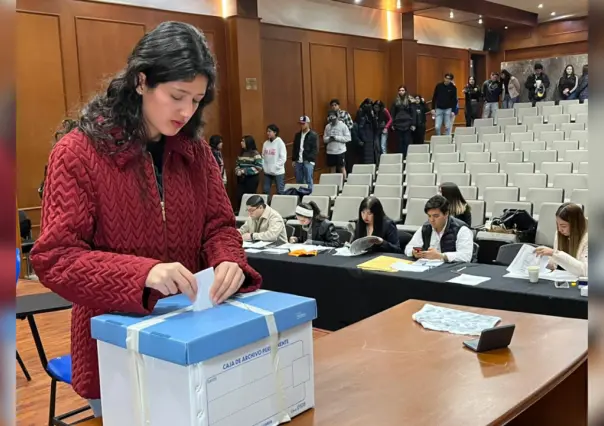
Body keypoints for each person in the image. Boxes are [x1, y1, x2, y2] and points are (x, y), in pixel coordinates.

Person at [29, 21, 262, 416]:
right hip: (116, 353)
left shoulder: (196, 153)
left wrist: (227, 259)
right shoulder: (78, 154)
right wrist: (143, 275)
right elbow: (56, 258)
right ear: (141, 81)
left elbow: (220, 227)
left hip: (194, 340)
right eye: (176, 96)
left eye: (197, 100)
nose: (186, 112)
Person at [404, 195, 474, 262]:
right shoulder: (425, 227)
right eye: (429, 216)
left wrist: (441, 256)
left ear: (446, 214)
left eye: (436, 216)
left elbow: (466, 256)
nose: (431, 220)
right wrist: (413, 252)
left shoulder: (461, 229)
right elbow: (409, 248)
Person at [535, 203, 588, 277]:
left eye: (563, 226)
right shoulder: (559, 233)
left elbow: (585, 271)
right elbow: (555, 264)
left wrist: (554, 253)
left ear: (576, 225)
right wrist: (542, 261)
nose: (559, 229)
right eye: (558, 224)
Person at [292, 115, 318, 192]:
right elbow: (295, 148)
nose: (302, 125)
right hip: (298, 161)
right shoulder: (297, 135)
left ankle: (310, 195)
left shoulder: (313, 135)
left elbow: (315, 149)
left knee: (308, 180)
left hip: (308, 161)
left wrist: (309, 159)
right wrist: (294, 159)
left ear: (308, 123)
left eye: (303, 123)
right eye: (300, 123)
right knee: (299, 181)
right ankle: (301, 195)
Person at [235, 135, 263, 203]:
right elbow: (237, 164)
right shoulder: (241, 153)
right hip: (241, 178)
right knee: (239, 196)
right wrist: (237, 170)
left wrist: (244, 171)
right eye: (241, 141)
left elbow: (259, 167)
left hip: (251, 179)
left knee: (249, 197)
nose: (241, 143)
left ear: (248, 142)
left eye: (243, 141)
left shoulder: (255, 153)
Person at [390, 86, 416, 158]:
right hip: (398, 124)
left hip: (408, 123)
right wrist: (392, 124)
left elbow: (413, 113)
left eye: (403, 90)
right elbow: (392, 113)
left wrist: (413, 124)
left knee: (407, 141)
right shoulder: (395, 101)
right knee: (399, 142)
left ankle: (407, 156)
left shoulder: (410, 100)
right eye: (400, 90)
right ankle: (400, 157)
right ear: (398, 91)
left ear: (405, 91)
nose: (401, 92)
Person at [323, 109, 350, 177]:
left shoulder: (343, 126)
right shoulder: (327, 126)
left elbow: (348, 138)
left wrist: (336, 138)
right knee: (332, 169)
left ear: (337, 117)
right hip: (330, 152)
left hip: (340, 151)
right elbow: (324, 139)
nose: (332, 121)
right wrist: (329, 139)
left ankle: (344, 182)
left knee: (342, 168)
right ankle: (333, 184)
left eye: (334, 119)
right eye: (331, 119)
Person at [262, 124, 286, 196]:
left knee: (280, 190)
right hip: (267, 172)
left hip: (278, 172)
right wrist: (264, 167)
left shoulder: (280, 143)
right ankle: (267, 206)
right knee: (265, 190)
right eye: (267, 131)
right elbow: (263, 156)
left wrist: (275, 167)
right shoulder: (265, 143)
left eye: (270, 131)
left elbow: (283, 158)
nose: (268, 133)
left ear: (275, 132)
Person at [355, 98, 379, 165]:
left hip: (371, 138)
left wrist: (373, 116)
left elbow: (376, 127)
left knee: (372, 155)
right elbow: (361, 128)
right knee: (367, 157)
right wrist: (364, 138)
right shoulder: (363, 117)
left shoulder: (371, 117)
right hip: (367, 139)